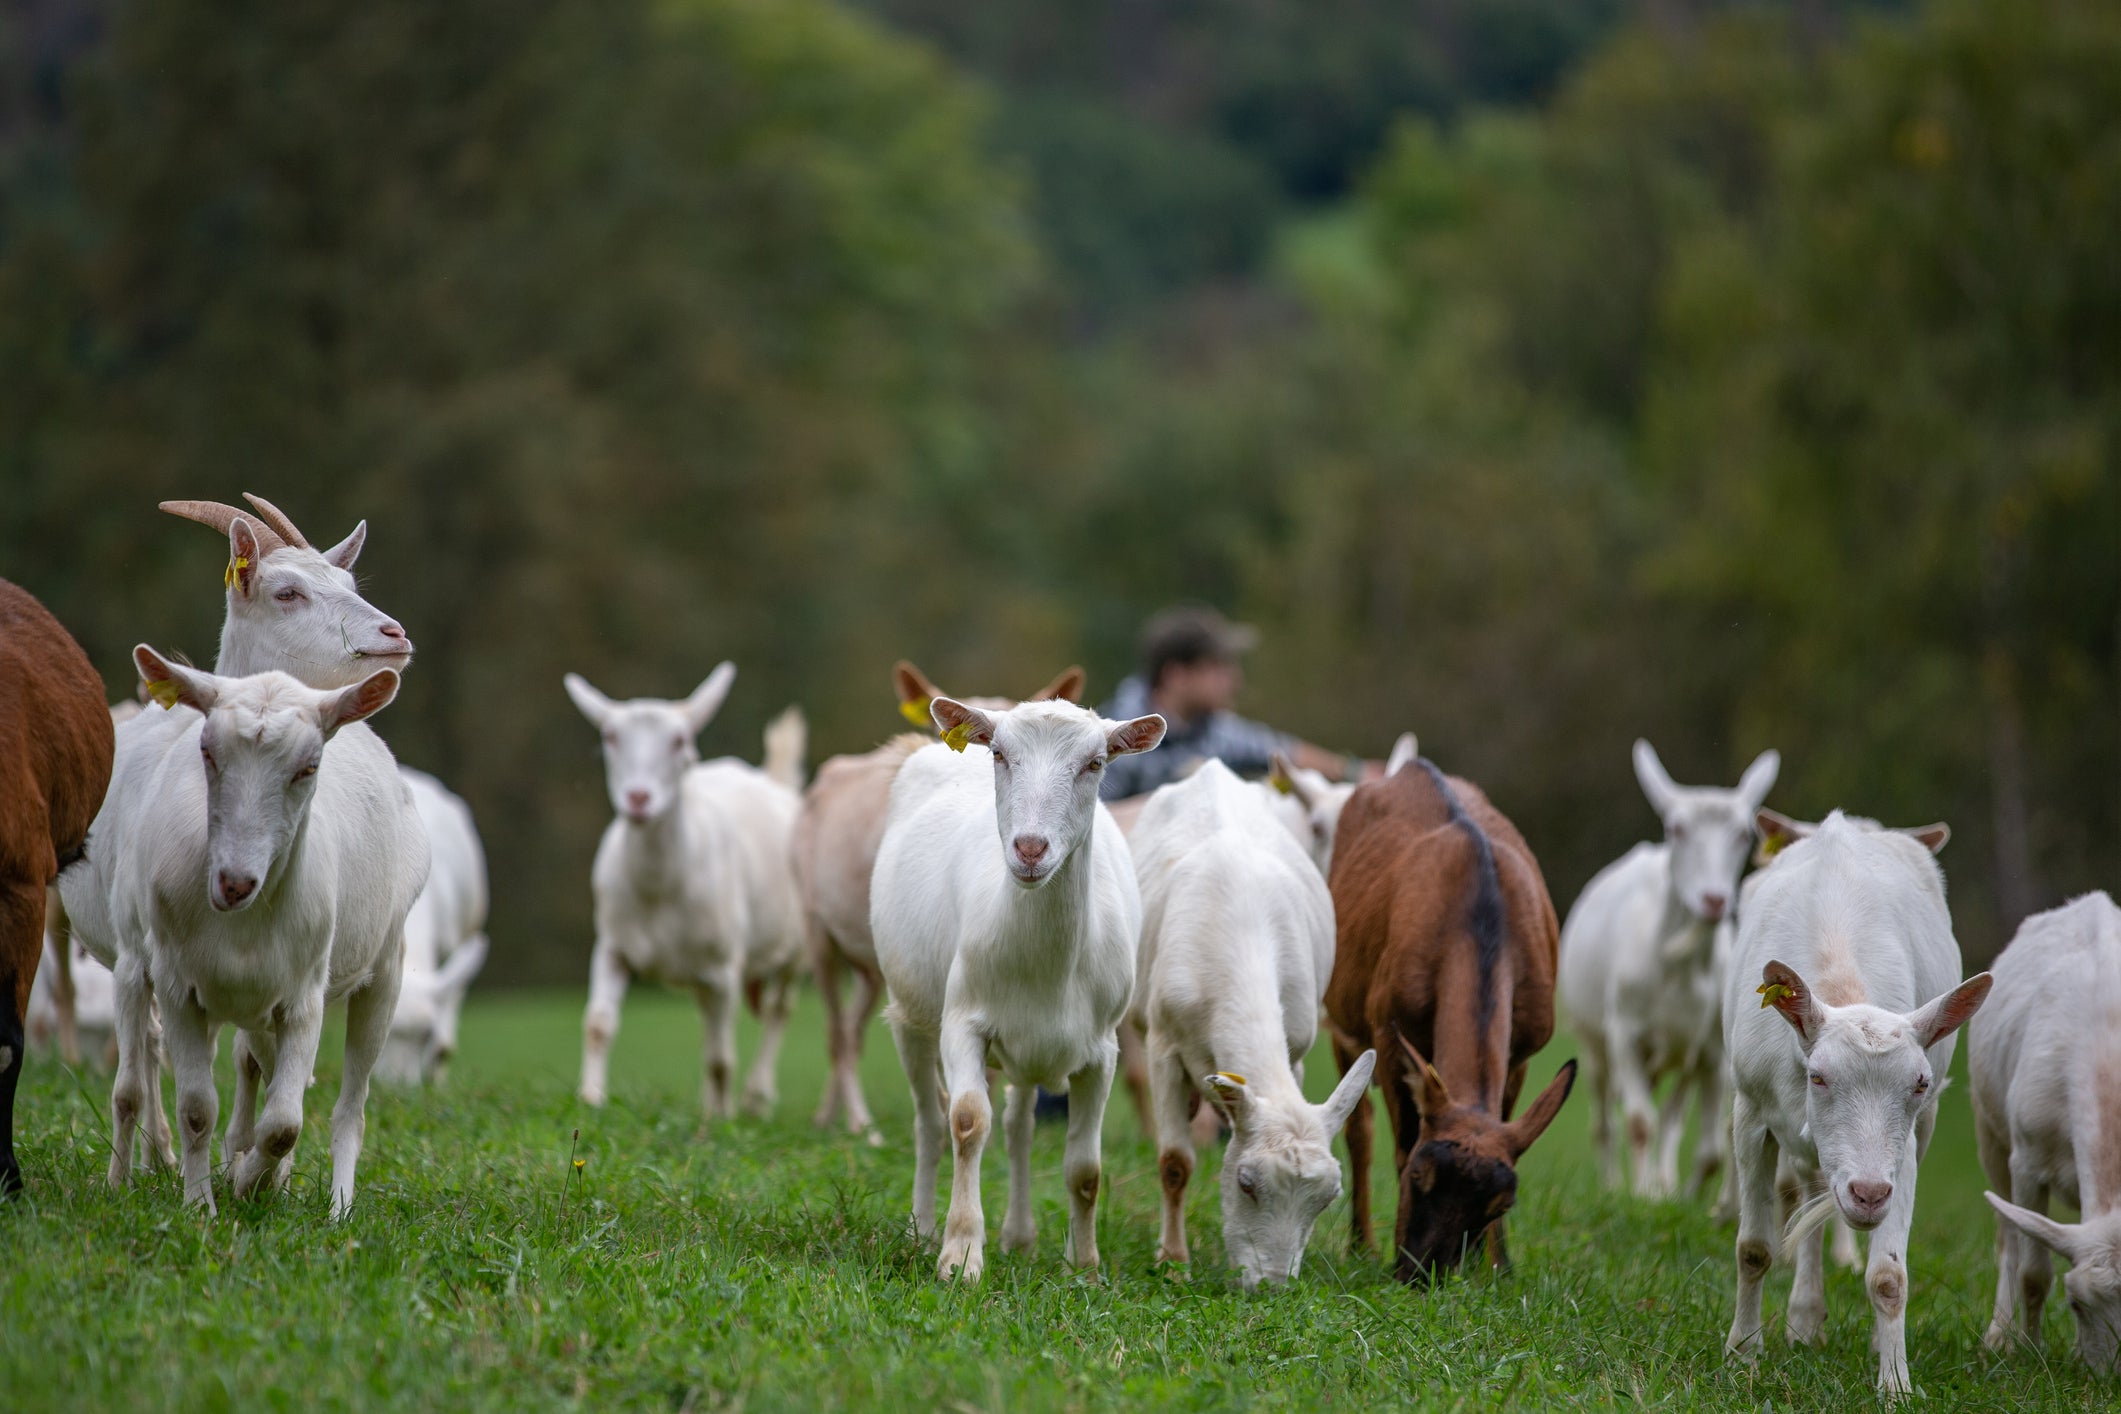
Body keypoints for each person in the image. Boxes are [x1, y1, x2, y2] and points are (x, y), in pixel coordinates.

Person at [1098, 606, 1372, 801]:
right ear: (1176, 675)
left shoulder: (1212, 728)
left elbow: (1283, 751)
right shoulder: (1114, 740)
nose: (1235, 679)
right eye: (1217, 666)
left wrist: (1354, 771)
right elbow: (1095, 821)